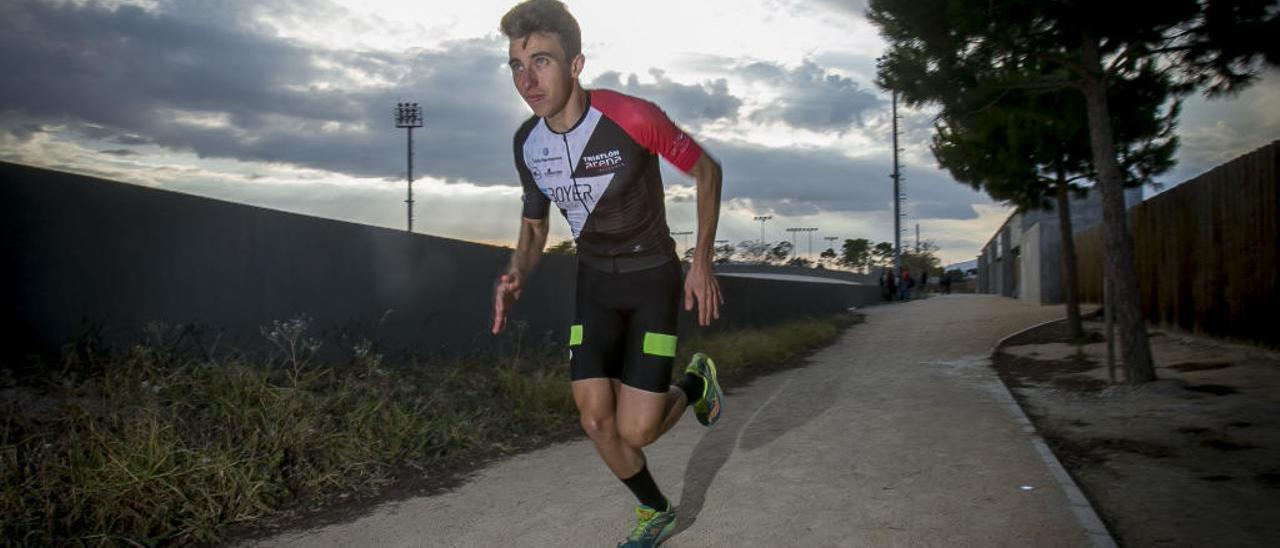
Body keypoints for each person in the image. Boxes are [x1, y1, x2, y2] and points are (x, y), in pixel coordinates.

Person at [490, 2, 725, 546]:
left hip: (651, 278)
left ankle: (694, 383)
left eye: (541, 62)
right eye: (516, 67)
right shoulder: (528, 143)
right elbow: (533, 229)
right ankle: (656, 509)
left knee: (637, 429)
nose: (528, 80)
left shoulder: (631, 117)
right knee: (596, 423)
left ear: (576, 64)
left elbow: (706, 171)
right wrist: (516, 270)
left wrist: (702, 261)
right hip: (594, 281)